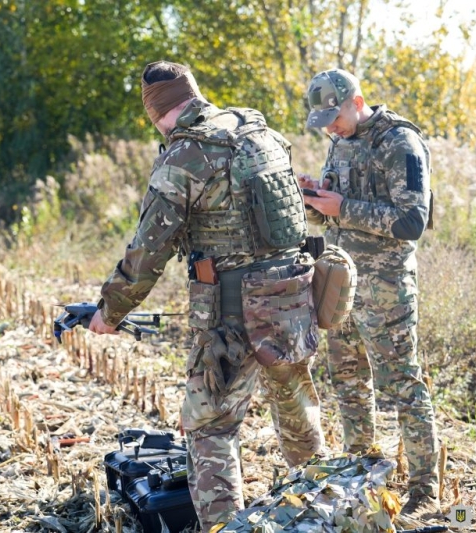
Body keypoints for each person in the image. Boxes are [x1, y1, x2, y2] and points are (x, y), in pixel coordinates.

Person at [89, 60, 324, 531]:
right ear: (194, 95)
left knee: (211, 429)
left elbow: (147, 251)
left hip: (232, 317)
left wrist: (109, 313)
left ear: (154, 111)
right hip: (293, 299)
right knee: (298, 417)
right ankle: (323, 513)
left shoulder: (184, 156)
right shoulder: (261, 132)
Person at [299, 68, 440, 518]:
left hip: (386, 290)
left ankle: (424, 488)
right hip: (342, 285)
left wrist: (344, 208)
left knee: (403, 385)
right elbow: (337, 215)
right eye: (321, 121)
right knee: (348, 382)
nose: (329, 127)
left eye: (334, 116)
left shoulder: (400, 144)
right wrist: (316, 200)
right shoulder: (340, 142)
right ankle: (361, 470)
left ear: (356, 102)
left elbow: (411, 222)